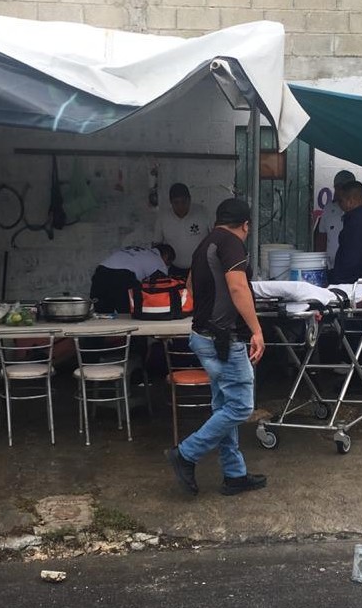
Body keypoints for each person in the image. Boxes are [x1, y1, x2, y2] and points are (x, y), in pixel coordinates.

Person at [166, 198, 266, 497]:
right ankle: (186, 454)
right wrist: (256, 330)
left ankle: (234, 475)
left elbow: (190, 287)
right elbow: (237, 287)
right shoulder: (232, 243)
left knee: (224, 407)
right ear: (245, 225)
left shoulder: (205, 244)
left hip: (204, 336)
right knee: (241, 406)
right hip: (224, 340)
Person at [90, 244, 175, 314]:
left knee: (101, 313)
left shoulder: (141, 250)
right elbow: (163, 286)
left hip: (101, 272)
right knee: (128, 314)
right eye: (168, 263)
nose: (167, 266)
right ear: (166, 256)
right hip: (122, 277)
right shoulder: (159, 262)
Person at [154, 183, 211, 278]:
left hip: (201, 267)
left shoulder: (203, 213)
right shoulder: (163, 217)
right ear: (171, 202)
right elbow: (157, 245)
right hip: (175, 268)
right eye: (176, 203)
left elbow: (214, 238)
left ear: (189, 200)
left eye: (184, 202)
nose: (180, 206)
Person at [316, 170, 355, 270]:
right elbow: (322, 238)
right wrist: (320, 265)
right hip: (332, 267)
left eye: (345, 188)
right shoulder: (329, 208)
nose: (341, 191)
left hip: (358, 269)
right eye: (338, 187)